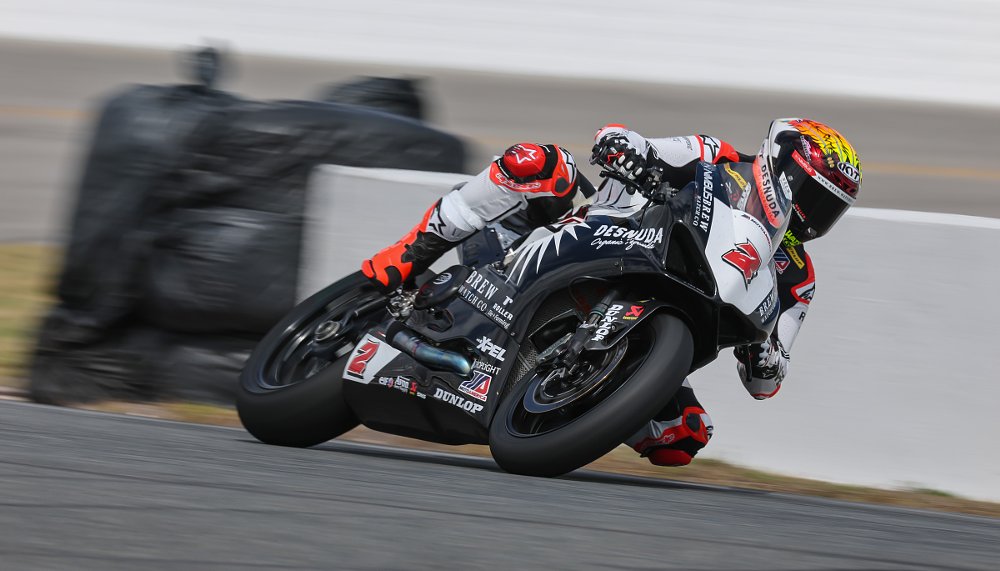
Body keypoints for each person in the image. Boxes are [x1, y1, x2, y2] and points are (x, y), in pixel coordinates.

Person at [361, 118, 862, 467]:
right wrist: (626, 149)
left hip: (669, 308)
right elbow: (636, 141)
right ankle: (409, 252)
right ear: (782, 161)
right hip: (588, 237)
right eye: (813, 194)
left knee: (683, 433)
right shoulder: (718, 157)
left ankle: (566, 403)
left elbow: (768, 380)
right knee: (541, 162)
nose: (813, 215)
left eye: (829, 208)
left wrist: (765, 356)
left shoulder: (799, 276)